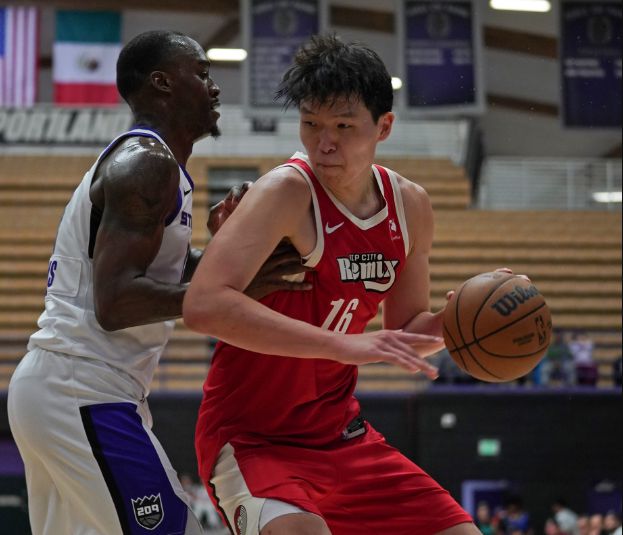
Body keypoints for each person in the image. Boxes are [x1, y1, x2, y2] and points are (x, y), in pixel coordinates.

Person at [184, 34, 505, 535]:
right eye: (311, 123)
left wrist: (459, 321)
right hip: (253, 437)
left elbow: (404, 331)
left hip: (341, 437)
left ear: (384, 126)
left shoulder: (410, 206)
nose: (324, 142)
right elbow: (203, 305)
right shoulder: (286, 191)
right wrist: (343, 345)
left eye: (343, 126)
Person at [7, 30, 305, 535]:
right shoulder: (147, 164)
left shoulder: (159, 167)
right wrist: (223, 297)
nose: (214, 87)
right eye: (202, 73)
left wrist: (229, 255)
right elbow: (116, 303)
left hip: (74, 388)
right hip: (82, 387)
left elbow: (163, 271)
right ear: (163, 83)